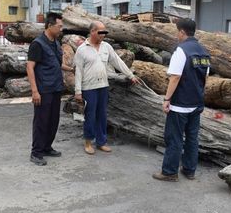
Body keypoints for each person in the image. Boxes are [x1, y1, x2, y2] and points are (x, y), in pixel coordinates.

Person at [152, 18, 210, 182]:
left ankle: (170, 172)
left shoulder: (181, 50)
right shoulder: (203, 51)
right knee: (192, 138)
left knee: (174, 138)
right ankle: (189, 170)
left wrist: (167, 99)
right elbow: (204, 79)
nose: (176, 34)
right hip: (196, 103)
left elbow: (175, 77)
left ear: (182, 32)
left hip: (180, 104)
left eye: (177, 31)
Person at [74, 21, 139, 155]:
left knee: (102, 115)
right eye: (100, 32)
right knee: (90, 116)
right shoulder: (82, 49)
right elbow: (78, 71)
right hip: (88, 88)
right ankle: (88, 142)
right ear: (92, 32)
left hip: (103, 86)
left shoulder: (106, 47)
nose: (103, 35)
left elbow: (117, 61)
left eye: (104, 32)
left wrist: (130, 75)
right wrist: (78, 91)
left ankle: (101, 142)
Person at [26, 12, 74, 166]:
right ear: (49, 25)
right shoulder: (37, 44)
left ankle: (47, 147)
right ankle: (36, 152)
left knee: (53, 120)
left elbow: (56, 63)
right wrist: (34, 91)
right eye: (59, 26)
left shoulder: (56, 43)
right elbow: (30, 67)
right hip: (43, 89)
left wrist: (71, 69)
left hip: (56, 88)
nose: (61, 29)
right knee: (41, 121)